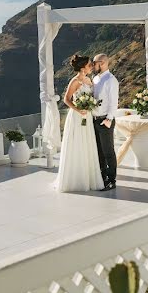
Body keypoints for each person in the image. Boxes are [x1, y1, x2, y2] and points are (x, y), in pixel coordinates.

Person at [54, 55, 105, 193]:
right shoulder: (75, 81)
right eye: (89, 65)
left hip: (87, 117)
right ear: (82, 68)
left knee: (87, 144)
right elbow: (66, 99)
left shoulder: (89, 80)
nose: (91, 67)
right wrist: (78, 109)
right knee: (77, 144)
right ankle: (76, 179)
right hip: (77, 117)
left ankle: (89, 178)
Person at [92, 53, 119, 190]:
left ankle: (112, 180)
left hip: (105, 121)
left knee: (108, 152)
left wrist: (108, 119)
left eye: (94, 63)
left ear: (102, 63)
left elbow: (114, 103)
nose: (92, 65)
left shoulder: (111, 80)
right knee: (99, 152)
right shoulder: (95, 79)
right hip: (94, 120)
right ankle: (102, 178)